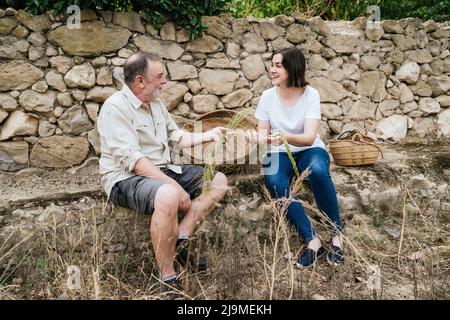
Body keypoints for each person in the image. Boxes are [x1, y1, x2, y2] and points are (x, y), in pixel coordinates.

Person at [97, 51, 229, 291]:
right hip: (126, 178)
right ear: (140, 81)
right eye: (159, 76)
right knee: (168, 195)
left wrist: (209, 135)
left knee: (218, 180)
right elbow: (134, 161)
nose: (165, 81)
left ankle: (182, 237)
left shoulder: (156, 104)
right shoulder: (115, 108)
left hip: (162, 171)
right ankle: (168, 279)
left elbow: (175, 136)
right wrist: (177, 188)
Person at [254, 48, 344, 268]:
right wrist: (262, 138)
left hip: (309, 149)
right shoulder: (267, 97)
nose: (272, 69)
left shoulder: (310, 94)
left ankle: (336, 236)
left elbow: (309, 136)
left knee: (319, 171)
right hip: (277, 152)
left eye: (278, 65)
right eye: (272, 64)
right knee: (274, 181)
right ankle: (312, 240)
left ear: (292, 68)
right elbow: (261, 134)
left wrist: (285, 136)